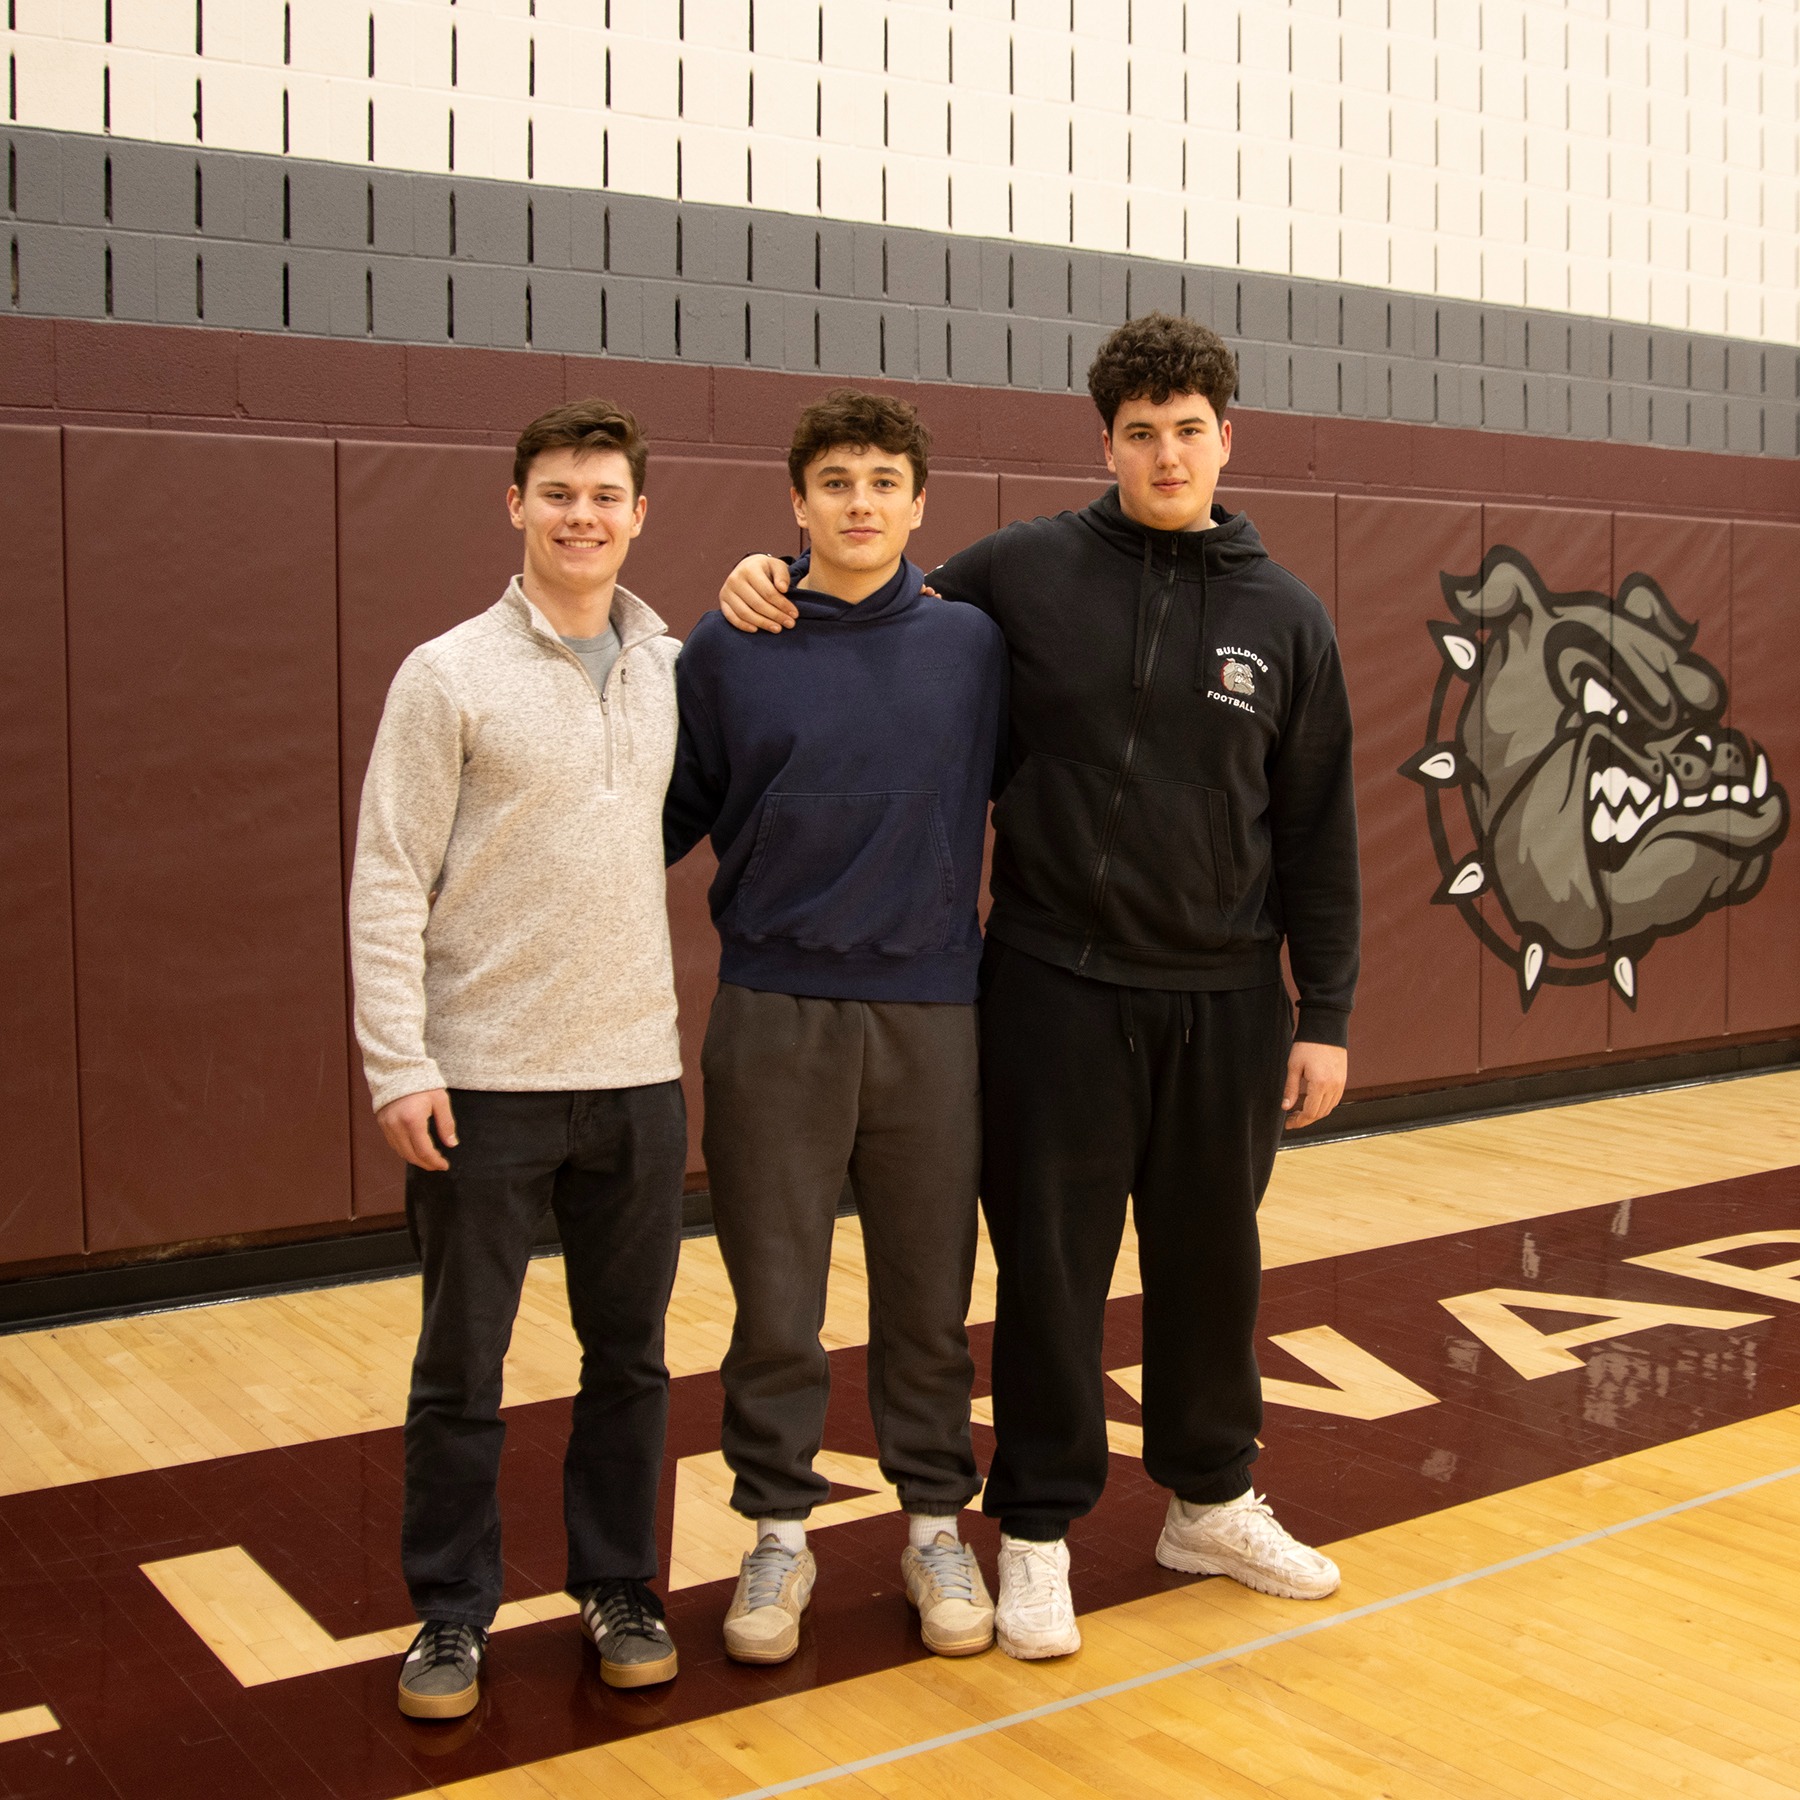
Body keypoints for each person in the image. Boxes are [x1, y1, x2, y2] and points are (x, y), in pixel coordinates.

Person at [718, 313, 1360, 1660]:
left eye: (1190, 430)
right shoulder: (1023, 570)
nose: (1168, 453)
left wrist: (1329, 1015)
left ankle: (1208, 1497)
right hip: (1055, 985)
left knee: (1211, 1264)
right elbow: (871, 593)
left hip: (1227, 997)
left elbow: (1317, 829)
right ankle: (1041, 1534)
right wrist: (764, 579)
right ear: (1108, 444)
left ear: (1226, 440)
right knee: (1053, 1277)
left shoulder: (1286, 616)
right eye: (1141, 433)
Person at [350, 399, 687, 1718]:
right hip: (481, 1084)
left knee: (633, 1360)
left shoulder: (673, 666)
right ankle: (448, 1613)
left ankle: (619, 1582)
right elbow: (388, 880)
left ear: (640, 514)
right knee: (460, 1367)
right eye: (558, 493)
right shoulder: (446, 675)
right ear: (515, 505)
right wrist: (399, 1060)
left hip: (637, 1082)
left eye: (606, 495)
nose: (583, 516)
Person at [665, 389, 1008, 1665]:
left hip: (935, 1013)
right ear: (796, 501)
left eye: (884, 482)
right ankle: (776, 1534)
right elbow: (662, 816)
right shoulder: (728, 643)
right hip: (772, 1014)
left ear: (920, 505)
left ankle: (932, 1527)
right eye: (836, 482)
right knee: (776, 1303)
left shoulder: (975, 643)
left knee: (929, 1300)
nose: (860, 503)